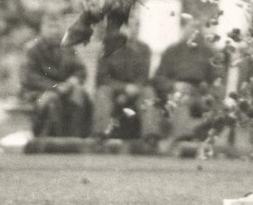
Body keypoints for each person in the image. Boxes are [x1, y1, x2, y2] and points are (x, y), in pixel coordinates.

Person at [20, 8, 93, 138]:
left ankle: (76, 139)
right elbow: (29, 77)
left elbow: (80, 70)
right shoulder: (32, 49)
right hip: (38, 92)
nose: (54, 30)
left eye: (57, 26)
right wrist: (56, 87)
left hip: (65, 89)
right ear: (42, 28)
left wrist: (72, 81)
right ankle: (51, 139)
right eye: (50, 26)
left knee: (80, 95)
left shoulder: (67, 47)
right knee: (51, 100)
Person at [95, 10, 153, 139]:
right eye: (130, 25)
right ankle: (100, 136)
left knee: (149, 92)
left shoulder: (144, 49)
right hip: (113, 89)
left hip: (137, 91)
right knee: (102, 92)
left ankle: (151, 137)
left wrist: (134, 88)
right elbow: (102, 78)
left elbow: (144, 76)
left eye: (137, 25)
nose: (134, 29)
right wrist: (123, 88)